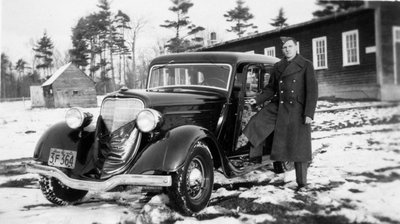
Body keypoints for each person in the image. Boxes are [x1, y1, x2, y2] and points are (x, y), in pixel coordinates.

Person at [242, 36, 318, 189]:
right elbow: (271, 89)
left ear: (296, 47)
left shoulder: (306, 65)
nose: (287, 50)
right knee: (257, 122)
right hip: (280, 106)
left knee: (300, 148)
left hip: (298, 109)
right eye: (284, 48)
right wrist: (257, 100)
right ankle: (253, 158)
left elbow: (312, 91)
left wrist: (309, 113)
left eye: (290, 46)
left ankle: (302, 183)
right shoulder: (278, 66)